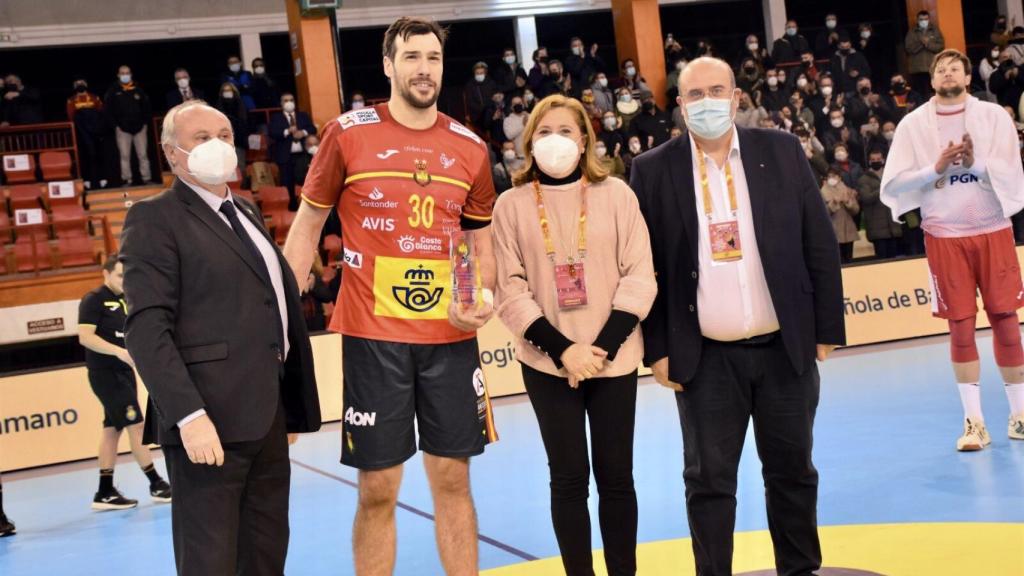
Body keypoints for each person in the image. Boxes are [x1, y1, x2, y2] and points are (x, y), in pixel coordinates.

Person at [281, 18, 499, 575]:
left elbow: (476, 239)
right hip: (374, 338)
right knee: (378, 488)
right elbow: (308, 226)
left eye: (432, 57)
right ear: (388, 65)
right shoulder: (347, 133)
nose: (423, 68)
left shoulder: (470, 147)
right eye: (411, 57)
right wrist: (279, 307)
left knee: (453, 479)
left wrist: (479, 296)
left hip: (449, 338)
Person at [630, 57, 845, 576]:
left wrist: (826, 328)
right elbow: (643, 267)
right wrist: (656, 349)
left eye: (716, 90)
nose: (706, 102)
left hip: (784, 348)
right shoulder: (653, 169)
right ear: (680, 105)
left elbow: (818, 240)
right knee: (708, 482)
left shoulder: (782, 150)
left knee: (793, 471)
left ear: (736, 97)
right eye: (695, 94)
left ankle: (799, 569)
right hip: (703, 358)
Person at [120, 100, 321, 574]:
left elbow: (269, 305)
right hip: (206, 423)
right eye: (202, 138)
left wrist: (288, 400)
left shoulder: (246, 210)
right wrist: (188, 415)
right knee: (210, 560)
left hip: (266, 418)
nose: (218, 146)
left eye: (225, 135)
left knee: (266, 554)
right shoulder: (155, 219)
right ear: (172, 154)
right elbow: (147, 328)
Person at [492, 94, 656, 576]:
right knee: (567, 479)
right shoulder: (511, 205)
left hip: (613, 358)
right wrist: (565, 351)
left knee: (616, 478)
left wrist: (598, 349)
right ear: (528, 143)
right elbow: (510, 290)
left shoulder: (618, 195)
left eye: (565, 131)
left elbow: (640, 276)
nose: (555, 141)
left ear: (584, 139)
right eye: (543, 132)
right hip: (547, 363)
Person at [881, 49, 1024, 451]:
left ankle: (1019, 415)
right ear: (932, 81)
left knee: (1006, 321)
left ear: (966, 76)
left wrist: (976, 165)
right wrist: (936, 168)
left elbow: (1013, 170)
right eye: (940, 69)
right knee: (960, 326)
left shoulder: (994, 116)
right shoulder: (913, 125)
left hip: (992, 229)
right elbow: (892, 184)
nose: (948, 73)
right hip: (944, 236)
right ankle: (974, 422)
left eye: (955, 68)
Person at [79, 255, 173, 510]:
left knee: (112, 430)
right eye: (119, 275)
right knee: (137, 426)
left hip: (125, 373)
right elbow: (85, 337)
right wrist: (117, 351)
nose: (124, 280)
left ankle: (105, 491)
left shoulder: (126, 299)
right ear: (106, 274)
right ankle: (157, 483)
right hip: (106, 373)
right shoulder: (93, 300)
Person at [104, 65, 153, 186]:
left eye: (127, 73)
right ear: (118, 75)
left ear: (130, 74)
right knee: (124, 156)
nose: (125, 75)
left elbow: (146, 108)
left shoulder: (138, 89)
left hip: (140, 129)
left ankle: (146, 178)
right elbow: (108, 110)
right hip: (122, 130)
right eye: (122, 73)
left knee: (143, 155)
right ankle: (127, 179)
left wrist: (145, 123)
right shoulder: (113, 91)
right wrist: (116, 126)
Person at [269, 93, 317, 206]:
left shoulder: (303, 116)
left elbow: (312, 128)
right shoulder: (276, 118)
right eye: (285, 100)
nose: (289, 102)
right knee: (287, 184)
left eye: (291, 100)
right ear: (281, 103)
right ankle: (292, 209)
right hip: (285, 157)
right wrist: (287, 131)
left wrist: (303, 132)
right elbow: (272, 133)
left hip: (303, 156)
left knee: (306, 182)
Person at [857, 149, 902, 259]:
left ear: (883, 160)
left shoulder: (890, 176)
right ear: (869, 161)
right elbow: (866, 198)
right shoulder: (864, 179)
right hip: (876, 227)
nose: (876, 161)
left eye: (878, 159)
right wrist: (882, 189)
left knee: (895, 260)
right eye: (873, 160)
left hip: (893, 225)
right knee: (882, 260)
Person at [67, 76, 109, 190]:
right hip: (82, 133)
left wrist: (100, 128)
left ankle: (102, 178)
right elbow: (71, 117)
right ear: (74, 86)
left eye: (82, 82)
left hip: (96, 131)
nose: (80, 85)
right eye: (77, 83)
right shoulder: (71, 100)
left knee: (99, 154)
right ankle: (87, 180)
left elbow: (102, 112)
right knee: (86, 155)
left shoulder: (94, 97)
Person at [820, 167, 860, 263]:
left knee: (849, 259)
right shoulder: (822, 192)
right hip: (834, 230)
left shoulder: (847, 190)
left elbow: (856, 210)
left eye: (834, 176)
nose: (831, 179)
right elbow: (823, 213)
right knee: (838, 261)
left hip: (848, 230)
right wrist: (833, 203)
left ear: (839, 178)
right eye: (829, 177)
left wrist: (847, 202)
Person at [905, 10, 945, 96]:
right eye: (921, 19)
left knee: (935, 93)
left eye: (926, 19)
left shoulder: (935, 30)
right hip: (917, 70)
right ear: (917, 20)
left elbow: (940, 47)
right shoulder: (912, 32)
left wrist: (928, 44)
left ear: (929, 19)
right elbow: (909, 48)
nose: (924, 21)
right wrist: (921, 43)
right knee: (920, 95)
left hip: (932, 68)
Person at [216, 83, 249, 178]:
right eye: (225, 91)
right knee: (225, 167)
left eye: (229, 90)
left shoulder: (240, 104)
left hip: (238, 140)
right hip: (223, 141)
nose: (227, 93)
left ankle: (243, 186)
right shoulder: (218, 105)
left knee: (240, 165)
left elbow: (244, 122)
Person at [465, 61, 498, 130]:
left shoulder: (491, 83)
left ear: (485, 73)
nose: (479, 75)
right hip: (477, 114)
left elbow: (495, 98)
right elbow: (470, 102)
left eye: (481, 73)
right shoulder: (470, 85)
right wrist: (482, 110)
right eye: (477, 73)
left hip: (491, 112)